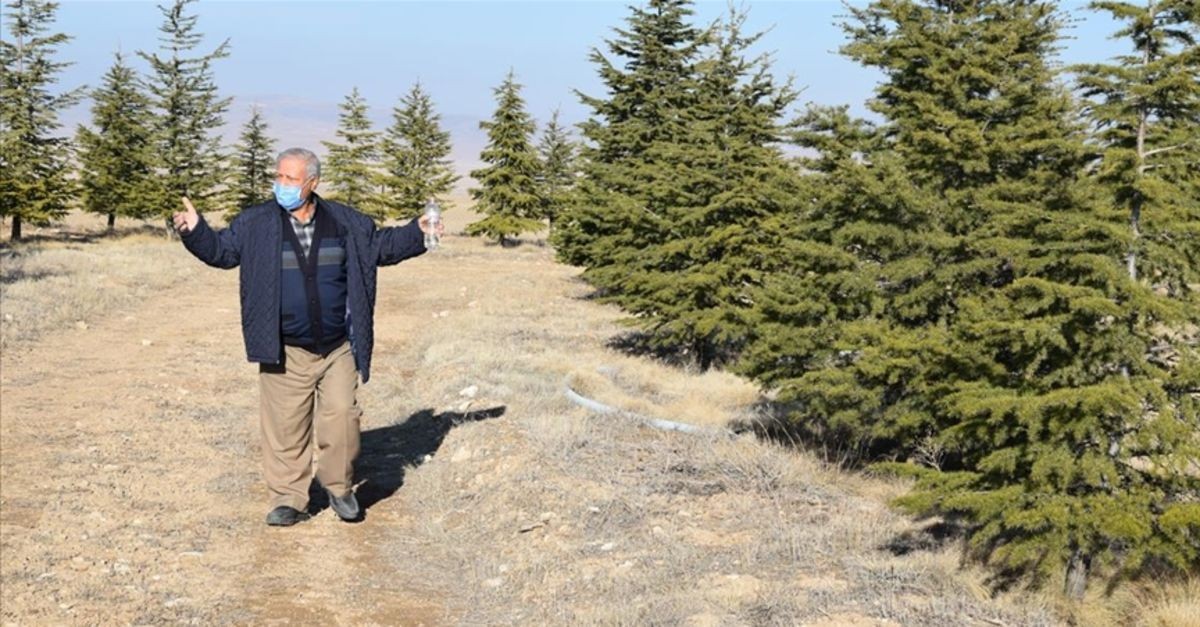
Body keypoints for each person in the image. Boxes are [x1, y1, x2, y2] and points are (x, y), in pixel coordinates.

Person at [173, 147, 443, 526]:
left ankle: (339, 488)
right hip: (285, 347)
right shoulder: (255, 224)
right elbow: (222, 251)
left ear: (312, 183)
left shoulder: (345, 222)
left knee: (342, 419)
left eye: (291, 178)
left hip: (338, 346)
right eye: (279, 176)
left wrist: (418, 232)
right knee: (285, 426)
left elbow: (381, 247)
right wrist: (195, 232)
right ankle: (288, 498)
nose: (282, 184)